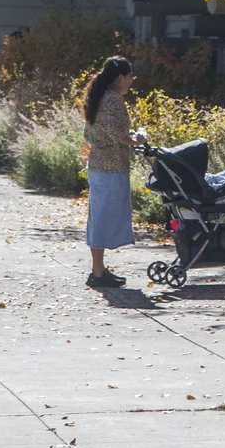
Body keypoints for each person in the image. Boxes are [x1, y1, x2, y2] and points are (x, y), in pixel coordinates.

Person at [81, 56, 136, 289]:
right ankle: (97, 271)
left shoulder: (97, 96)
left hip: (98, 164)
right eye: (130, 77)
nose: (131, 82)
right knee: (103, 218)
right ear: (120, 77)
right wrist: (135, 139)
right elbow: (116, 133)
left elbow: (89, 133)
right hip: (111, 166)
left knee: (99, 216)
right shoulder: (112, 99)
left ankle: (100, 269)